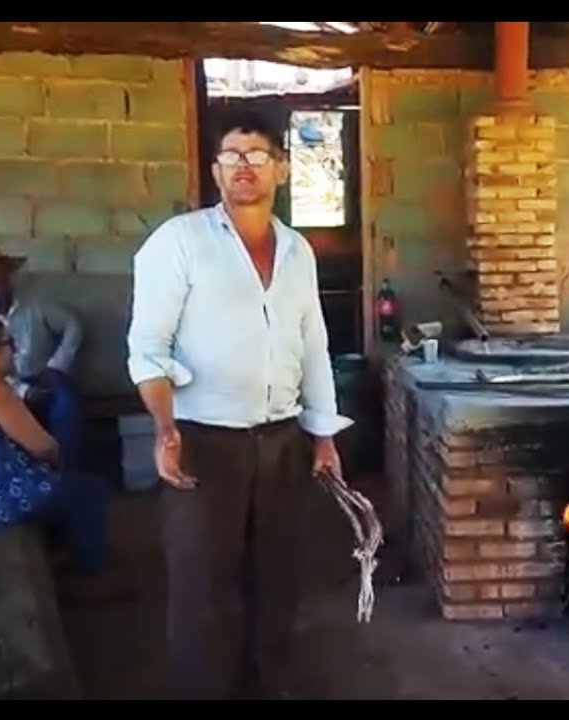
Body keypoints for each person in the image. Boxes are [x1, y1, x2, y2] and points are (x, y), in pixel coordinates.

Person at [126, 109, 352, 700]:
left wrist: (323, 436)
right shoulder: (179, 242)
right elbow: (147, 348)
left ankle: (269, 686)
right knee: (203, 590)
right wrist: (165, 427)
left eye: (256, 155)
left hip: (281, 440)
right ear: (215, 170)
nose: (243, 167)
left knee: (277, 580)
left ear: (279, 168)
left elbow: (314, 345)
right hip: (204, 440)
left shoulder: (298, 252)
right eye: (231, 156)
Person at [0, 317, 119, 601]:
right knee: (89, 492)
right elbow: (43, 446)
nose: (15, 352)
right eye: (9, 344)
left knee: (61, 488)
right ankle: (87, 578)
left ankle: (56, 552)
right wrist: (56, 463)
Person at [0, 242, 86, 469]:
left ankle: (67, 471)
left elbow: (73, 325)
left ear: (7, 273)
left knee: (66, 406)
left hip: (45, 376)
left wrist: (56, 366)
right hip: (1, 386)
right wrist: (23, 391)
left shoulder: (35, 304)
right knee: (5, 427)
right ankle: (29, 476)